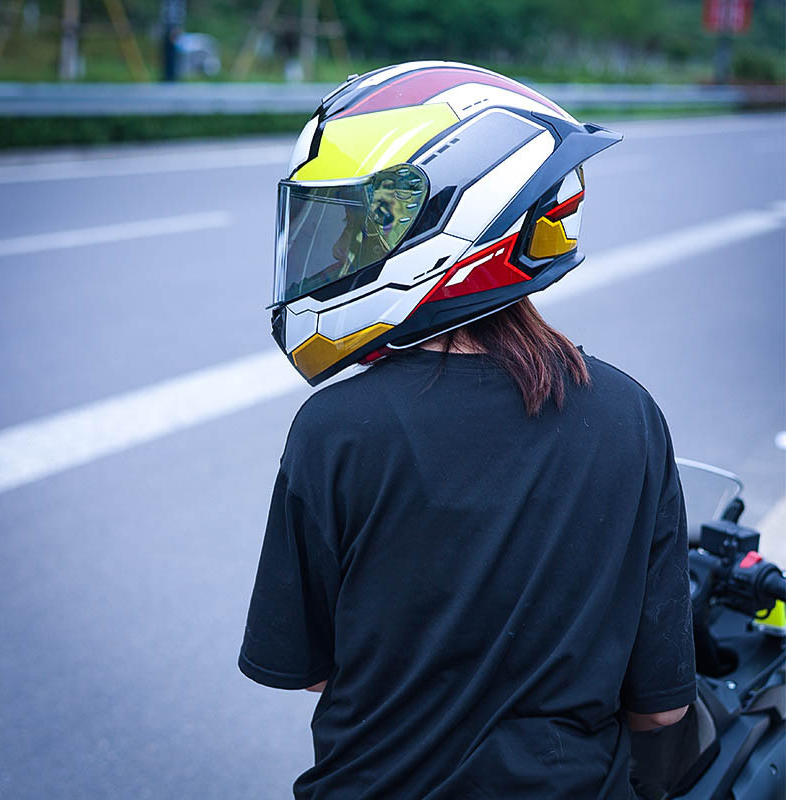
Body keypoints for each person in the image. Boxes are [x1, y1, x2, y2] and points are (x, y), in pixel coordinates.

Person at [239, 62, 696, 798]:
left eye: (364, 222)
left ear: (455, 217)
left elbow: (310, 669)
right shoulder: (628, 415)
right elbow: (662, 708)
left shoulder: (335, 429)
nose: (338, 252)